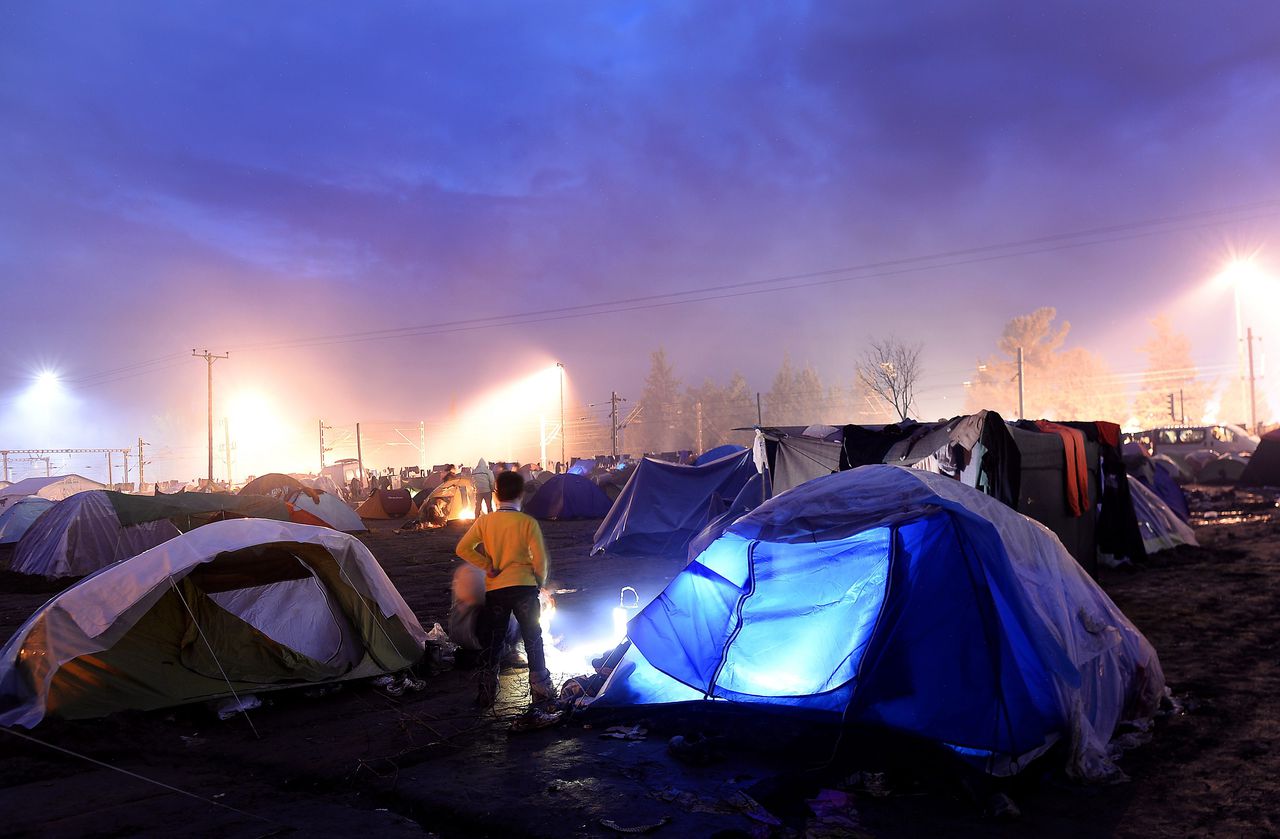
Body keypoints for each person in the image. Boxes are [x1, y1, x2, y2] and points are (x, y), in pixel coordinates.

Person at [455, 470, 552, 708]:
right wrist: (539, 581)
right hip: (525, 588)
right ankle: (540, 689)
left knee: (494, 640)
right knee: (533, 638)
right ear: (521, 495)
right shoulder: (527, 523)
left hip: (496, 589)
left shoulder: (485, 521)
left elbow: (463, 548)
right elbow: (540, 560)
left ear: (495, 494)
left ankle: (487, 690)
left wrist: (487, 565)